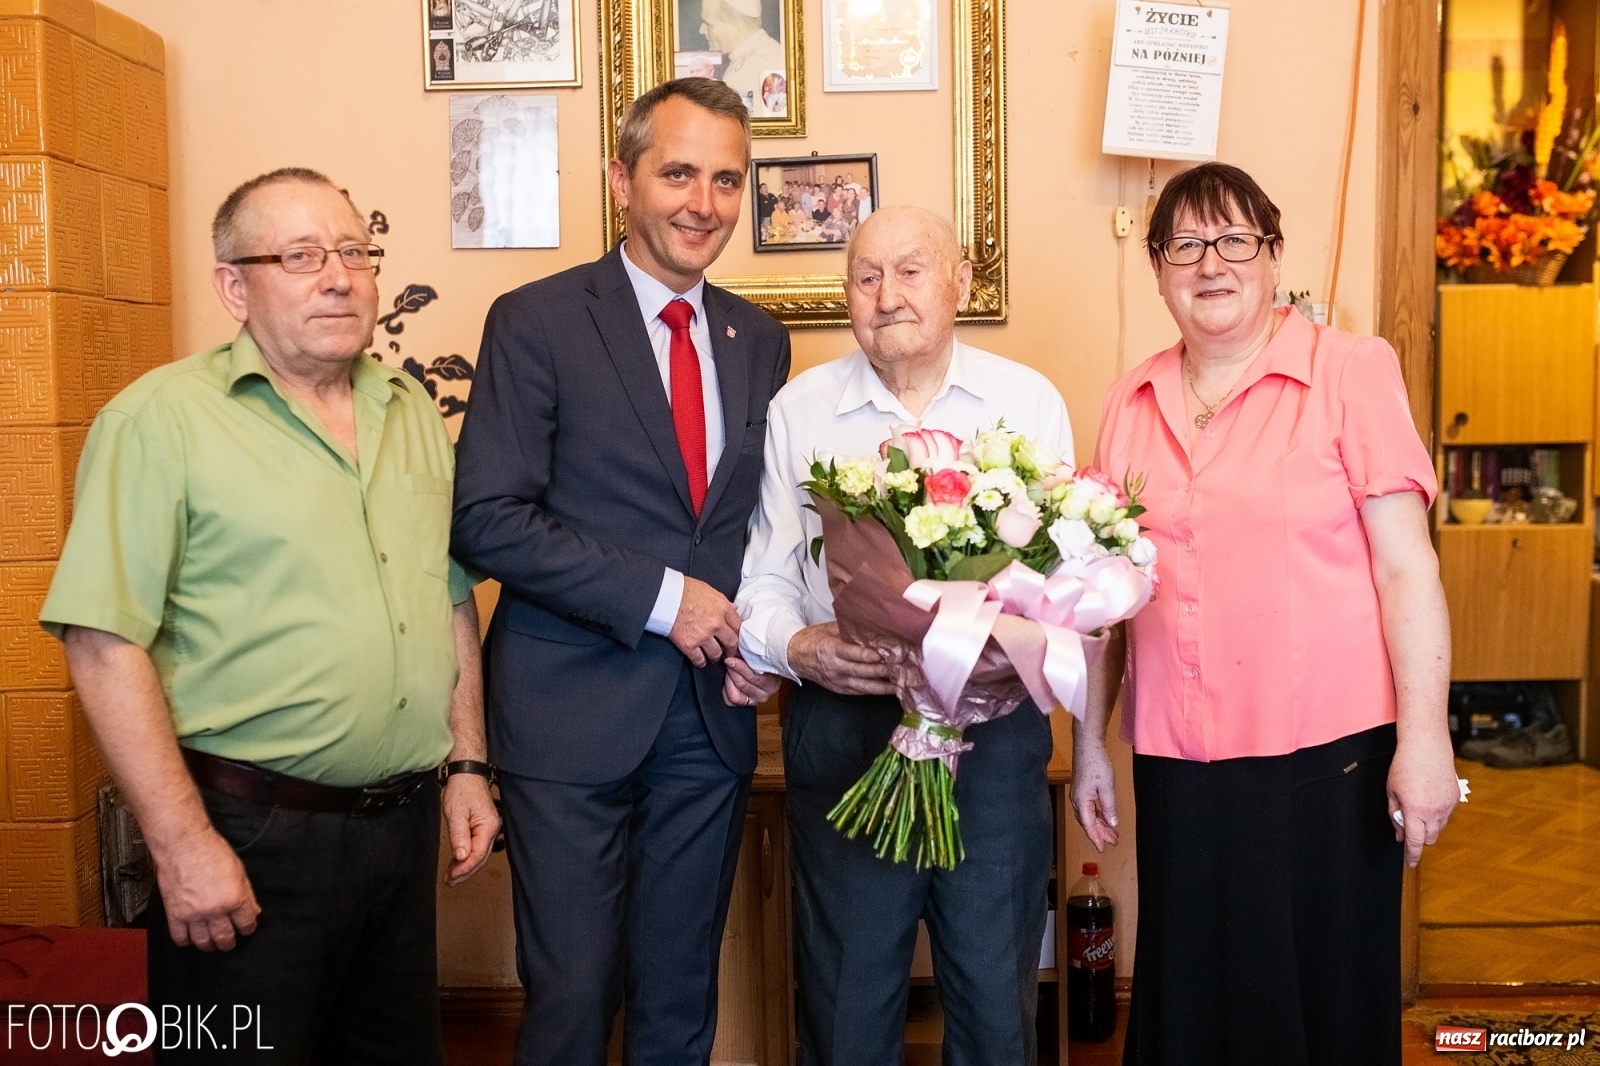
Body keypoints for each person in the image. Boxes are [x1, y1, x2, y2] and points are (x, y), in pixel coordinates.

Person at [37, 167, 499, 1064]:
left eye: (354, 251)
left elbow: (445, 594)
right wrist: (181, 848)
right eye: (299, 255)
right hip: (247, 836)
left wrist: (469, 763)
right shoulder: (159, 420)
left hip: (400, 836)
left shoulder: (408, 410)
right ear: (233, 286)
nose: (339, 276)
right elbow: (101, 642)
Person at [1074, 162, 1459, 1066]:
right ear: (1159, 267)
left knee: (1320, 995)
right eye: (1185, 245)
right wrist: (1091, 740)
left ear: (1273, 254)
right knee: (1194, 996)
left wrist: (1428, 740)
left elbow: (1407, 570)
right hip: (1180, 757)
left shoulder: (1350, 371)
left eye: (1235, 240)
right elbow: (1104, 599)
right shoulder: (1129, 400)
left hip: (1328, 757)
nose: (1212, 263)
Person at [450, 78, 791, 1066]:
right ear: (621, 180)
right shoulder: (537, 320)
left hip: (707, 715)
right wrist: (661, 599)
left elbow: (756, 523)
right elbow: (486, 518)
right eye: (678, 172)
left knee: (680, 993)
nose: (704, 202)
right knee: (572, 993)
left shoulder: (757, 338)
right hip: (568, 709)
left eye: (727, 179)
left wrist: (759, 627)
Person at [736, 205, 1075, 1066]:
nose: (887, 295)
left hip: (992, 744)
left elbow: (1066, 583)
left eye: (911, 270)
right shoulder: (799, 410)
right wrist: (797, 647)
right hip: (847, 727)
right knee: (848, 1010)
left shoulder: (1026, 401)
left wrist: (1003, 645)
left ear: (961, 281)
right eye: (865, 275)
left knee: (998, 1011)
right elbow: (766, 580)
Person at [699, 0, 785, 116]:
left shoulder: (759, 65)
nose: (701, 30)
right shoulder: (763, 52)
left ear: (737, 28)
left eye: (709, 24)